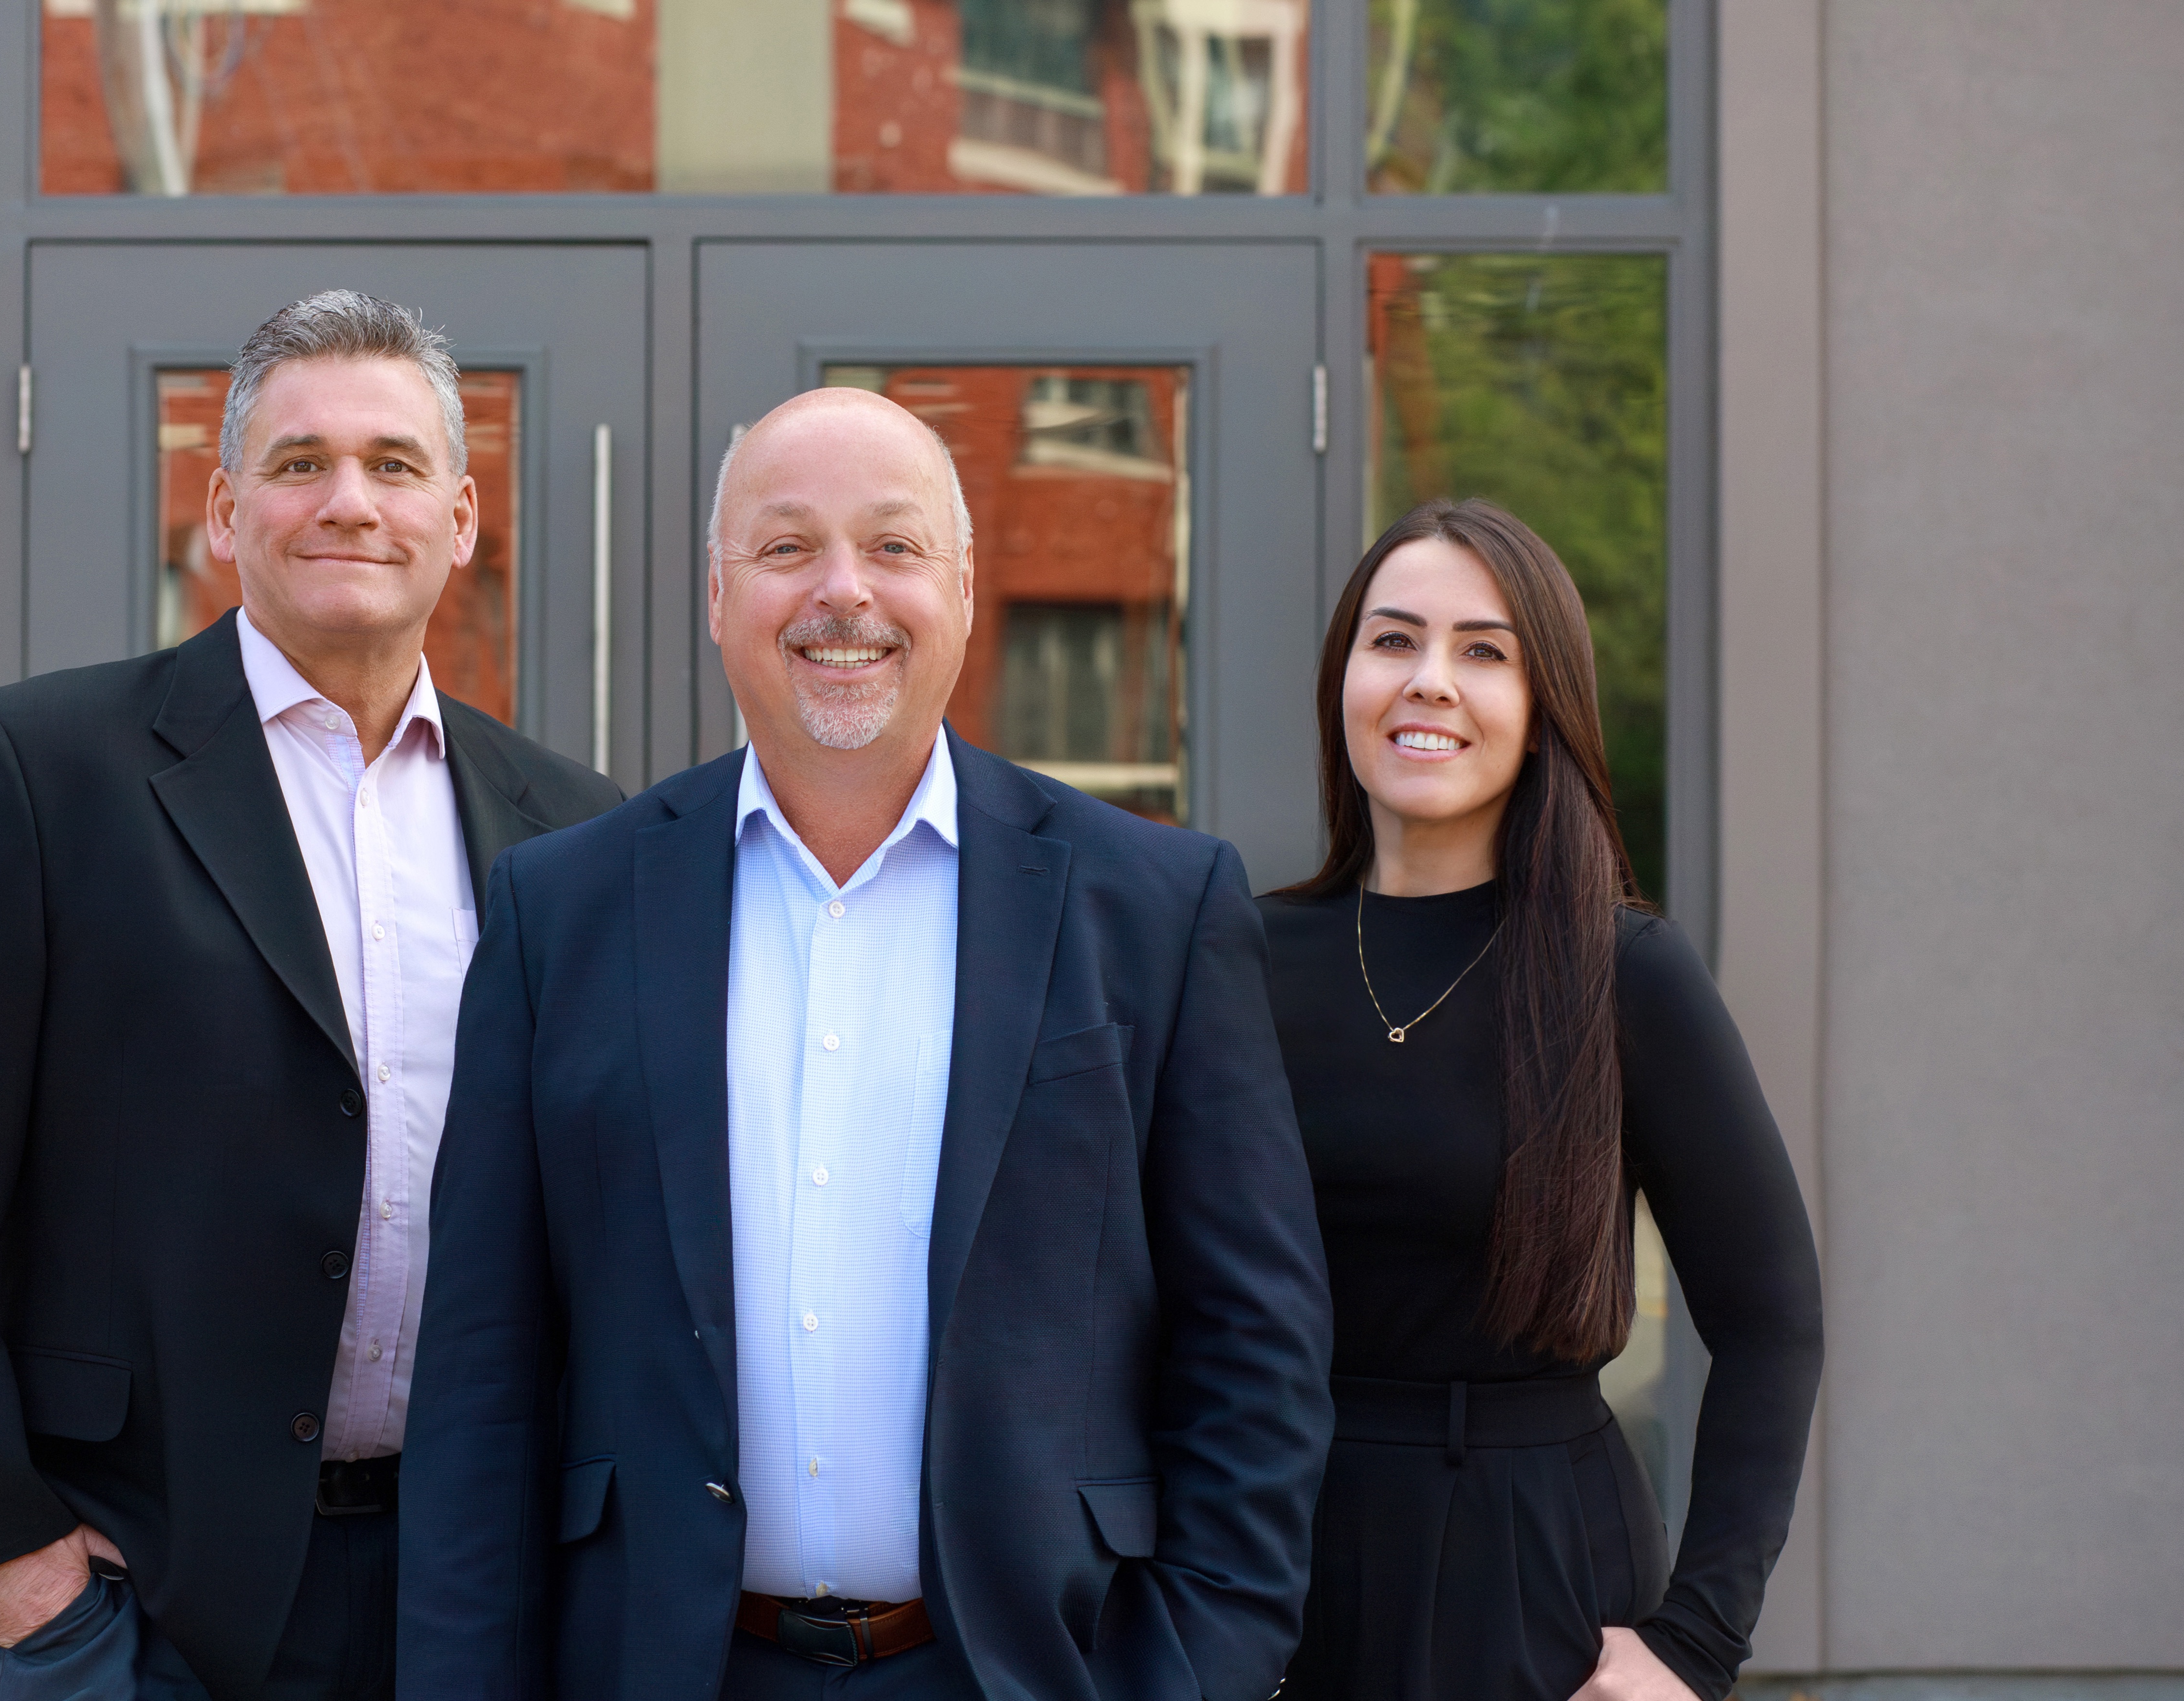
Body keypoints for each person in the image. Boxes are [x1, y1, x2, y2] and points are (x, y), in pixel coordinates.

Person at [398, 386, 1335, 1701]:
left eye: (891, 547)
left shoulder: (1153, 907)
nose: (842, 592)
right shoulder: (561, 911)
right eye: (786, 548)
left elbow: (1254, 1345)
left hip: (1032, 1670)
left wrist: (1196, 1669)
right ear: (718, 596)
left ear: (959, 586)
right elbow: (482, 1376)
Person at [0, 290, 623, 1701]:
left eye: (393, 464)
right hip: (149, 1603)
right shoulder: (46, 774)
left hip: (475, 1593)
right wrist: (12, 1566)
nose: (347, 500)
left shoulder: (565, 825)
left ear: (463, 519)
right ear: (227, 514)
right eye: (300, 463)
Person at [1258, 499, 1823, 1701]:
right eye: (1393, 640)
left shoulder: (1625, 973)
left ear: (1542, 704)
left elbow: (1774, 1321)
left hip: (1534, 1568)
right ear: (1343, 677)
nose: (1430, 683)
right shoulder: (1238, 959)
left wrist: (1697, 1644)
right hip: (1269, 1559)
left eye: (1483, 651)